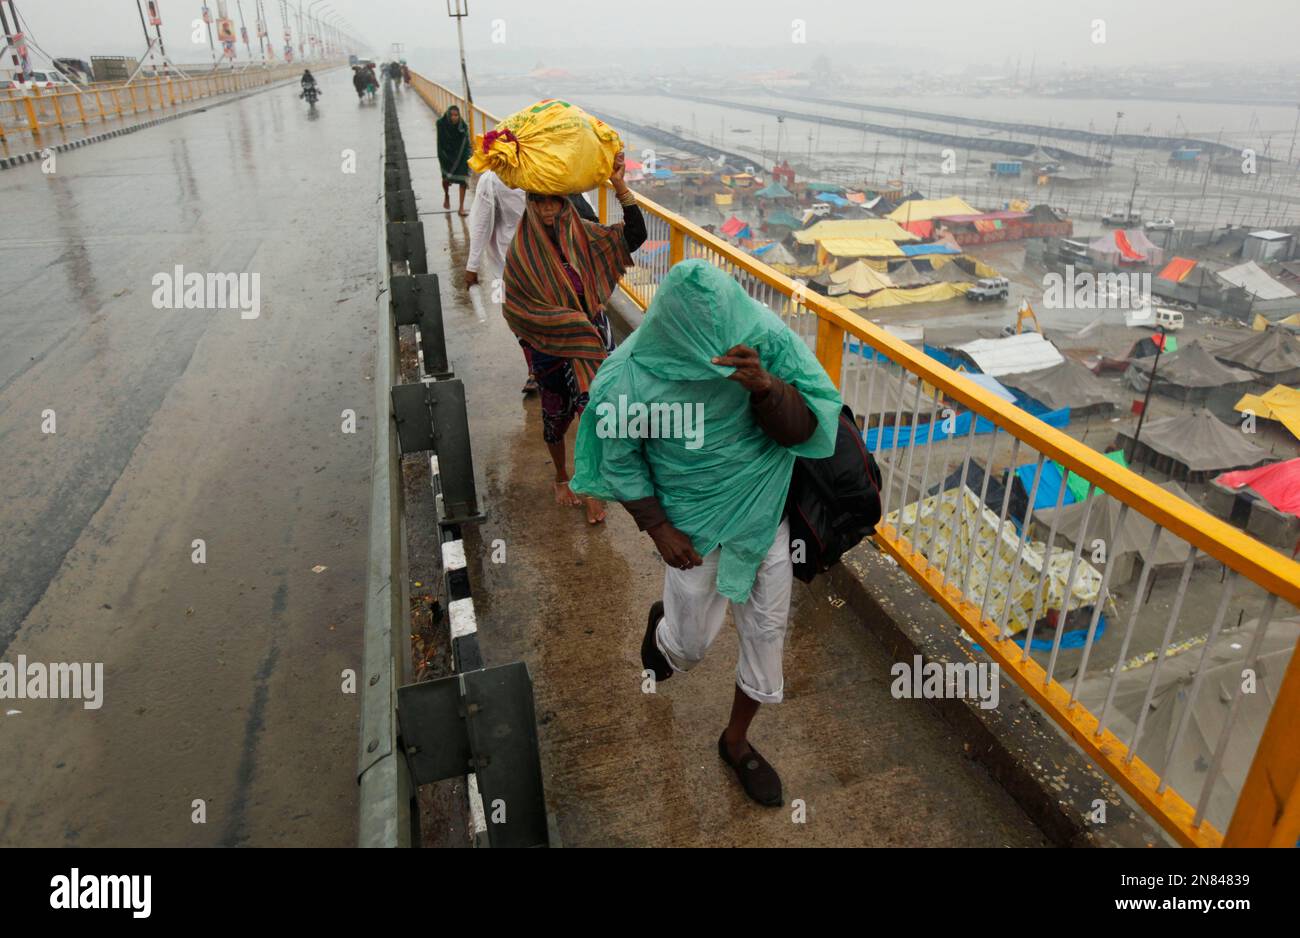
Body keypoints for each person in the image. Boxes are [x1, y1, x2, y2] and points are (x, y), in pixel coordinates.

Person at [569, 260, 842, 807]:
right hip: (690, 531)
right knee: (689, 649)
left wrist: (766, 388)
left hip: (762, 518)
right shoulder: (628, 375)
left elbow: (814, 425)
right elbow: (620, 460)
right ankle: (665, 628)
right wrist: (658, 529)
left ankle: (736, 740)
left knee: (766, 639)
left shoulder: (763, 338)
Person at [501, 153, 645, 525]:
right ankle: (561, 477)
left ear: (563, 202)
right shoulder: (520, 253)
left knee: (594, 413)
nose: (548, 209)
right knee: (556, 415)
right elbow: (516, 308)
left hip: (593, 340)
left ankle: (591, 487)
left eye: (554, 200)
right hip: (549, 346)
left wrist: (619, 185)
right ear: (530, 204)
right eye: (540, 201)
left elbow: (634, 237)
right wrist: (559, 324)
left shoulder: (581, 233)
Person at [465, 172, 601, 395]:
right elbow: (481, 221)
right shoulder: (494, 178)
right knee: (521, 318)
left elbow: (580, 204)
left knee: (540, 316)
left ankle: (548, 370)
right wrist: (472, 264)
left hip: (548, 262)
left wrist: (472, 267)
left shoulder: (550, 166)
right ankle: (540, 369)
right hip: (512, 264)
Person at [436, 106, 472, 217]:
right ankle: (447, 195)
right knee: (446, 179)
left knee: (463, 181)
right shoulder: (441, 124)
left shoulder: (463, 126)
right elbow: (441, 143)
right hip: (446, 155)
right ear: (448, 115)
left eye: (456, 115)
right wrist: (444, 156)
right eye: (452, 115)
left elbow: (466, 143)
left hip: (461, 156)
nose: (454, 117)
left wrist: (469, 155)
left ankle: (461, 207)